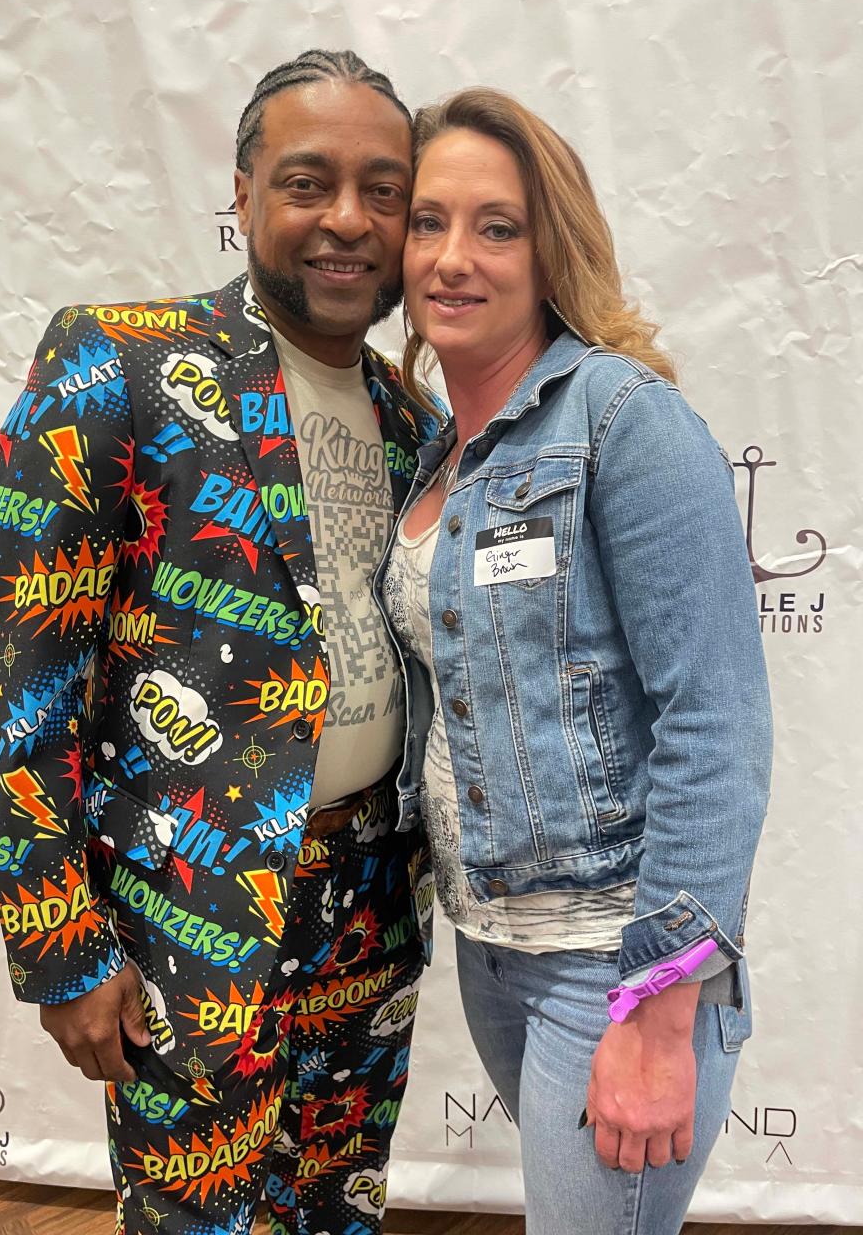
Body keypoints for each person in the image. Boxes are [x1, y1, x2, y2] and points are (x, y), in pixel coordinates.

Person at [0, 49, 442, 1235]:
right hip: (190, 924)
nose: (349, 218)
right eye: (308, 180)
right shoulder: (118, 361)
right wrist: (63, 949)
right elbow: (20, 678)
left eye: (384, 190)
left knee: (339, 1213)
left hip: (372, 909)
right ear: (242, 196)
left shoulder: (416, 418)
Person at [376, 88, 772, 1235]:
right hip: (491, 951)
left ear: (553, 248)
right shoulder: (437, 453)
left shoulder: (623, 422)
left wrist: (654, 1012)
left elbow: (717, 725)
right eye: (430, 221)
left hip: (616, 966)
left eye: (497, 226)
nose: (454, 257)